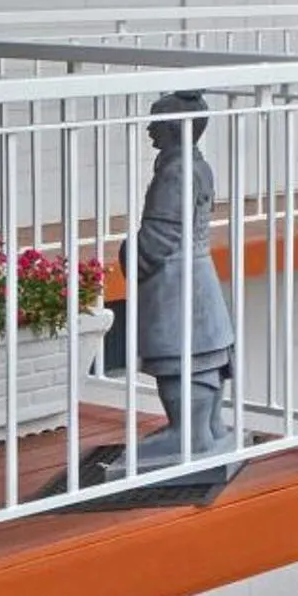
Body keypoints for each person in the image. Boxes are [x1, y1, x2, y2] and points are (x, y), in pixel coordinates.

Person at [128, 91, 233, 466]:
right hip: (197, 274)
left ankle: (189, 433)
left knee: (180, 353)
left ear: (174, 128)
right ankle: (207, 426)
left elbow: (159, 236)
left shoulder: (177, 171)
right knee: (201, 351)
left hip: (177, 280)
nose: (150, 130)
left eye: (156, 123)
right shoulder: (197, 165)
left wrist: (131, 254)